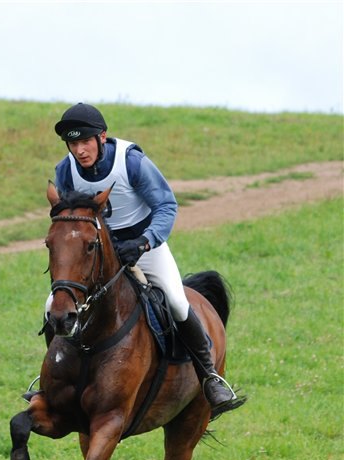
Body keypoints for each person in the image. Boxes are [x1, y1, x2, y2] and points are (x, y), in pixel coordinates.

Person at [47, 102, 244, 419]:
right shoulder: (65, 171)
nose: (80, 150)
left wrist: (144, 241)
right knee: (54, 306)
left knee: (177, 302)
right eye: (73, 143)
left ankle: (210, 377)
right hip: (97, 253)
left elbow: (166, 205)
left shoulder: (131, 162)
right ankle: (52, 382)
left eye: (85, 141)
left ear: (102, 137)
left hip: (145, 244)